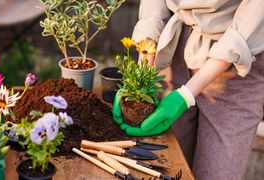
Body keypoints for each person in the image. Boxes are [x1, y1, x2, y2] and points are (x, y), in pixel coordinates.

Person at [112, 0, 264, 179]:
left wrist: (185, 95)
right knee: (163, 167)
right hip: (173, 50)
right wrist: (142, 73)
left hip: (236, 66)